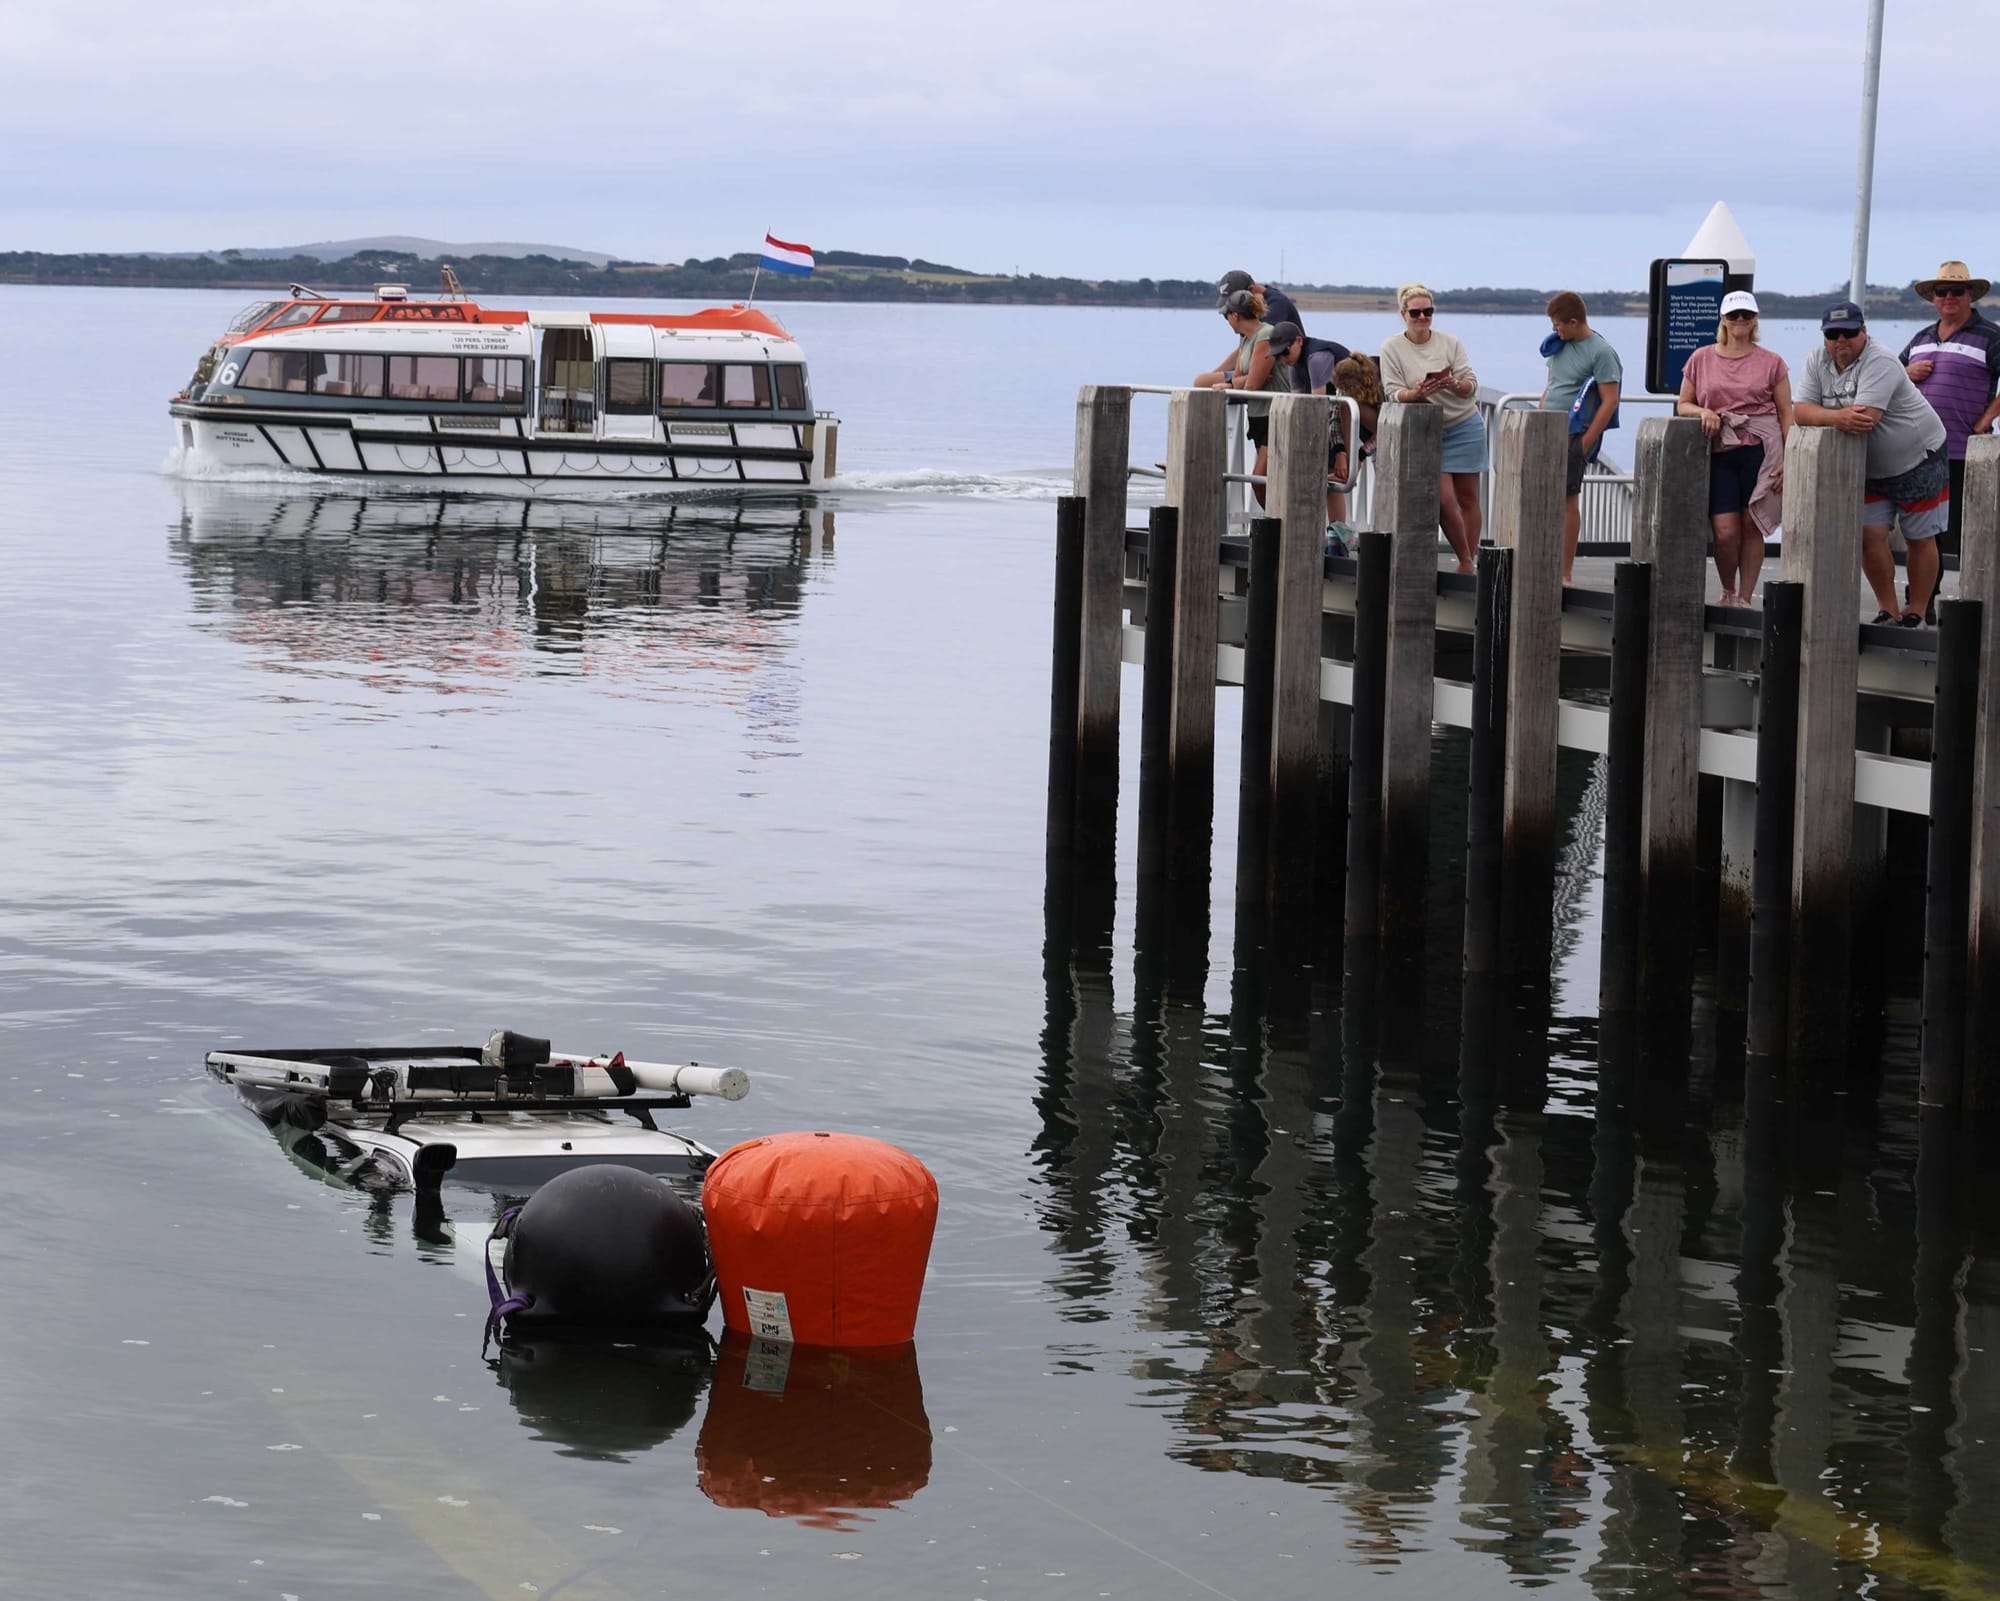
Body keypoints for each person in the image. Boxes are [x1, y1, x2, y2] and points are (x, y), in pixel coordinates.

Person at [1795, 300, 1950, 627]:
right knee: (1866, 535)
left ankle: (1917, 611)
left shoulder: (1881, 359)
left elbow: (1865, 419)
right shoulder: (1815, 359)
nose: (1841, 340)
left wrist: (1824, 417)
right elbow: (1800, 412)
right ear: (1824, 337)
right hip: (1867, 466)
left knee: (1919, 537)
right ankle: (1889, 609)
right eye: (1833, 334)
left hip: (1918, 456)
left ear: (1864, 332)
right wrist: (1836, 416)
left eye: (1849, 332)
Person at [1676, 290, 1793, 606]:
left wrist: (1791, 458)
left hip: (1762, 450)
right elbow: (1683, 404)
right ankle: (1727, 589)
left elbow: (1786, 413)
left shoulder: (1773, 362)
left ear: (1755, 319)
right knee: (1725, 531)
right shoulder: (1701, 358)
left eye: (1746, 314)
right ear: (1723, 319)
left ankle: (1744, 597)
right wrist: (1705, 412)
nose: (1740, 320)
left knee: (1751, 525)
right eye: (1733, 315)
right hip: (1720, 452)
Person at [1899, 261, 2000, 575]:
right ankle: (1923, 604)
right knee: (1922, 531)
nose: (1949, 297)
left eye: (1957, 290)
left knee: (1962, 531)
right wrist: (1907, 372)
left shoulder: (1990, 336)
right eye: (1942, 291)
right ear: (1933, 298)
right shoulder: (1921, 338)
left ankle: (1969, 607)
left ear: (1970, 294)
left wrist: (1985, 421)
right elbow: (1887, 378)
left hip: (1961, 452)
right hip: (1917, 452)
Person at [1379, 283, 1482, 571]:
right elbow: (1392, 392)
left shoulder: (1451, 342)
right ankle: (1464, 558)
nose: (1422, 317)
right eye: (1416, 312)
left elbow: (1471, 386)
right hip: (1427, 428)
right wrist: (1416, 393)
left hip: (1464, 423)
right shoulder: (1391, 347)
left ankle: (1469, 561)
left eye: (1428, 312)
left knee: (1468, 498)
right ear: (1403, 314)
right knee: (1443, 499)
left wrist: (1452, 383)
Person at [1541, 292, 1624, 585]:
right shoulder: (1559, 347)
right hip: (1545, 430)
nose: (1555, 330)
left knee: (1567, 500)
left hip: (1575, 432)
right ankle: (1541, 561)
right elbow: (1552, 386)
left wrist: (1586, 442)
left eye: (1558, 325)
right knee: (1541, 499)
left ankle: (1564, 572)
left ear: (1573, 322)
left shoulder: (1600, 352)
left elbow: (1609, 400)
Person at [1194, 288, 1288, 504]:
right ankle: (1273, 523)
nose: (1227, 321)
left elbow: (1253, 384)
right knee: (1265, 478)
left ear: (1235, 315)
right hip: (1257, 415)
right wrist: (1240, 380)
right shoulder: (1246, 340)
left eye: (1227, 316)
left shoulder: (1265, 336)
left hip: (1275, 415)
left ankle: (1275, 522)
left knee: (1260, 477)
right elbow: (1240, 378)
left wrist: (1236, 382)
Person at [1267, 320, 1354, 525]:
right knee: (1326, 476)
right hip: (1339, 414)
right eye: (1277, 355)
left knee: (1334, 474)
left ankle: (1339, 537)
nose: (1282, 359)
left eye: (1285, 352)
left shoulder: (1317, 357)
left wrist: (1341, 451)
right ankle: (1334, 536)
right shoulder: (1295, 362)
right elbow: (1299, 407)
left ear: (1298, 341)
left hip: (1359, 413)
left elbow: (1322, 409)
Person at [1217, 269, 1303, 332]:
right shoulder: (1250, 310)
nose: (1234, 313)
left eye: (1236, 303)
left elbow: (1262, 341)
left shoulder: (1276, 304)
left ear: (1251, 289)